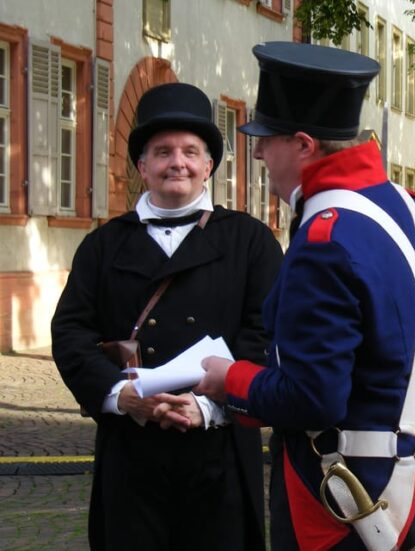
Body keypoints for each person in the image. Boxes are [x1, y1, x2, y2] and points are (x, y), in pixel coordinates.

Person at [195, 42, 415, 550]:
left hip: (339, 502)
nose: (257, 152)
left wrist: (227, 378)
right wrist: (404, 419)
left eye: (267, 139)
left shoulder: (326, 239)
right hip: (411, 487)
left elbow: (311, 397)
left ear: (304, 145)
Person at [51, 82, 283, 551]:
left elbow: (267, 333)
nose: (177, 161)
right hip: (131, 450)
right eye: (162, 151)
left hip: (220, 451)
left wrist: (209, 406)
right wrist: (122, 394)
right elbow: (72, 332)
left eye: (190, 151)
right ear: (142, 166)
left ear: (208, 165)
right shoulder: (103, 244)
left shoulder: (250, 241)